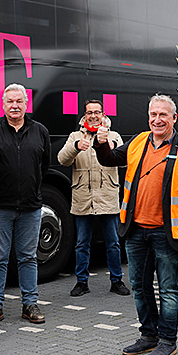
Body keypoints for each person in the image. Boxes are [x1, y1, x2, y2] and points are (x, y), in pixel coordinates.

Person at [95, 94, 178, 355]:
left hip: (167, 232)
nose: (157, 120)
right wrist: (101, 144)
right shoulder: (138, 142)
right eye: (153, 115)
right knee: (139, 286)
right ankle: (149, 335)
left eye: (163, 115)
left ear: (174, 118)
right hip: (135, 229)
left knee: (167, 289)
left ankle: (168, 340)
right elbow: (110, 159)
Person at [0, 83, 50, 326]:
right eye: (10, 101)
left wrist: (32, 188)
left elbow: (44, 165)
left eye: (19, 101)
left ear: (26, 104)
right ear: (3, 105)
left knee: (28, 258)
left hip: (30, 207)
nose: (15, 105)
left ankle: (30, 304)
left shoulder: (40, 131)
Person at [58, 99, 130, 297]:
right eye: (89, 112)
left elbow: (124, 162)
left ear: (103, 114)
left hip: (107, 197)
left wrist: (110, 146)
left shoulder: (113, 135)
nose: (93, 116)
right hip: (84, 199)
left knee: (113, 243)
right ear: (85, 115)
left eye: (97, 112)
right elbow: (62, 160)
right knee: (82, 244)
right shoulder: (75, 136)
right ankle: (82, 282)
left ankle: (116, 281)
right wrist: (75, 147)